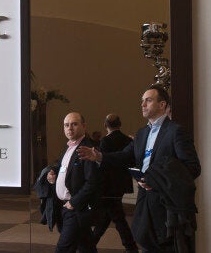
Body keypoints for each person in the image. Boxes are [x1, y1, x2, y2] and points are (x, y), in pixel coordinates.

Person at [77, 85, 201, 252]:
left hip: (166, 202)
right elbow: (124, 156)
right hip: (144, 200)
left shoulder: (176, 131)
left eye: (148, 100)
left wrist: (158, 180)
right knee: (145, 241)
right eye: (142, 101)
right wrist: (99, 156)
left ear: (162, 104)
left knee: (167, 246)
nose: (143, 104)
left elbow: (192, 167)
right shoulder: (142, 133)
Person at [46, 112, 101, 253]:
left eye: (74, 124)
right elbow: (62, 166)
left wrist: (73, 203)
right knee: (86, 247)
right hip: (66, 207)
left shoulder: (87, 149)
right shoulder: (70, 146)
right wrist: (53, 172)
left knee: (63, 249)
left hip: (76, 209)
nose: (69, 128)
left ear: (83, 126)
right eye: (66, 125)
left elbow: (92, 183)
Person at [92, 114, 138, 253]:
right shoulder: (127, 140)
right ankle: (90, 243)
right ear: (120, 124)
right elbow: (130, 161)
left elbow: (104, 164)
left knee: (117, 218)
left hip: (108, 185)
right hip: (121, 183)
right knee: (109, 215)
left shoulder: (105, 141)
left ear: (105, 125)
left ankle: (131, 247)